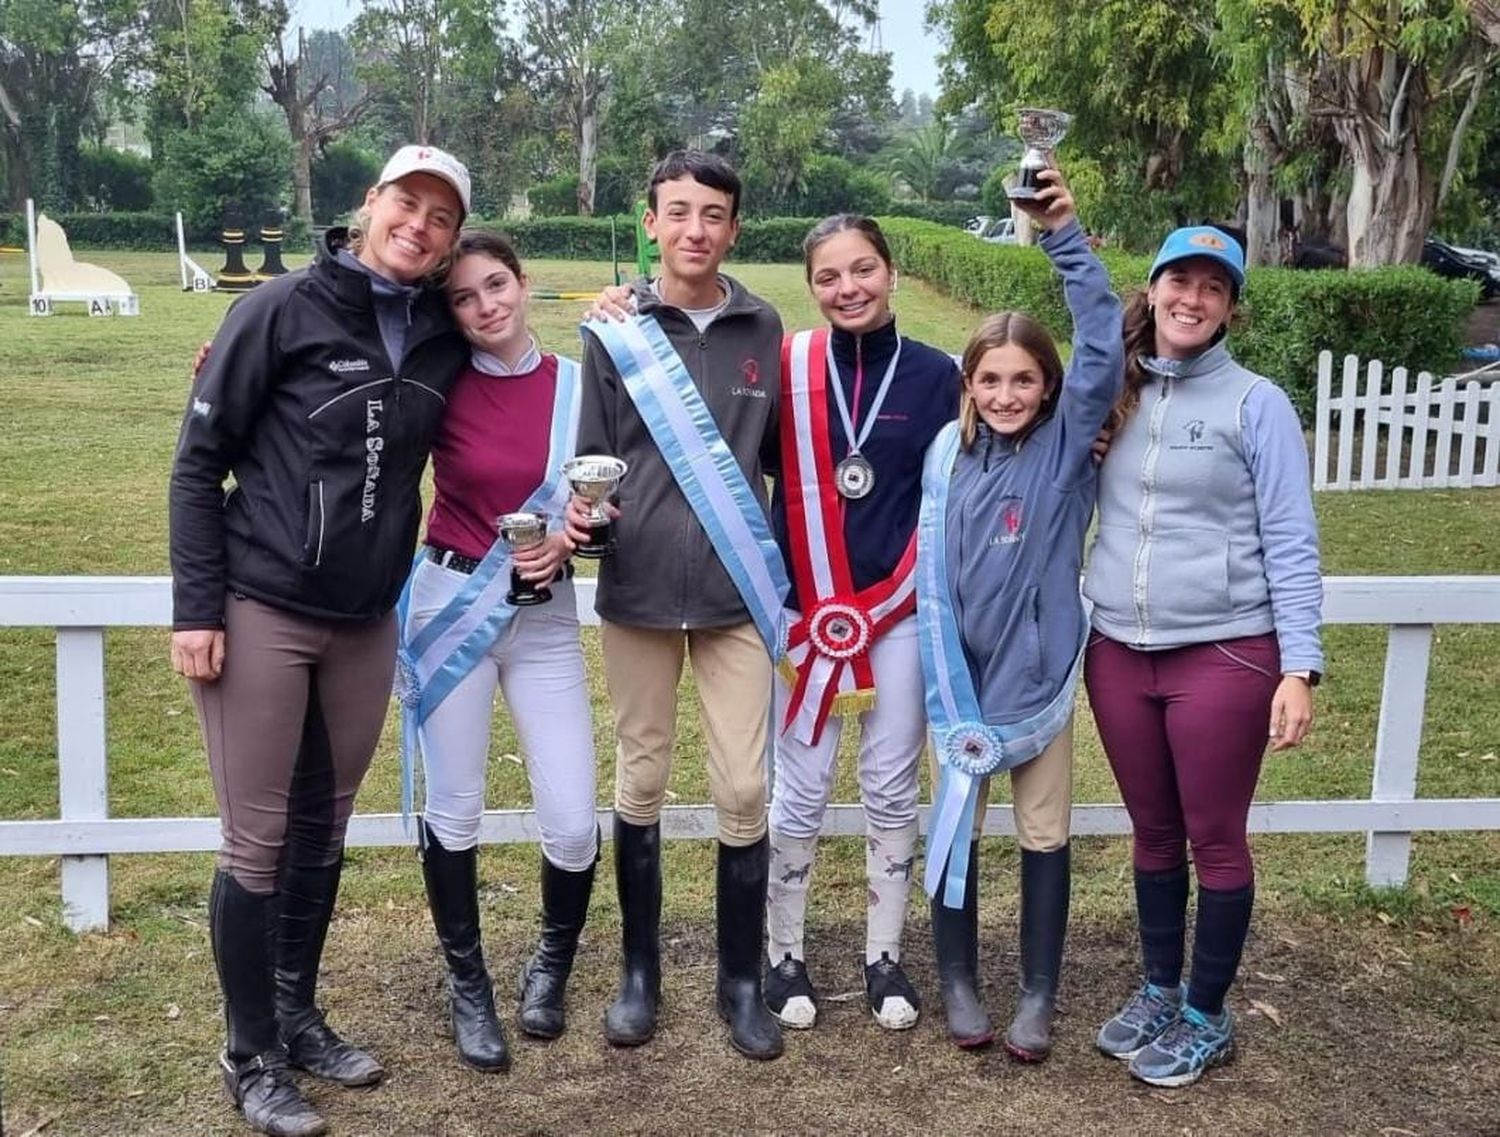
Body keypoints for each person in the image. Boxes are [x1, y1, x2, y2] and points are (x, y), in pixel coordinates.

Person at [169, 145, 472, 1137]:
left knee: (325, 826)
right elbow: (197, 463)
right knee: (257, 838)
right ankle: (248, 1053)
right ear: (369, 205)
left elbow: (514, 355)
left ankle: (297, 1016)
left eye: (441, 218)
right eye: (406, 203)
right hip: (263, 606)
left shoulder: (438, 330)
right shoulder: (279, 309)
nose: (419, 225)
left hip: (366, 620)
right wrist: (197, 610)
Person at [1084, 226, 1322, 1087]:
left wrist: (1300, 664)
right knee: (1151, 833)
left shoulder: (1256, 403)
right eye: (1179, 280)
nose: (1192, 299)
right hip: (1117, 650)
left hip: (1225, 653)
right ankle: (1157, 984)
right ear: (1152, 289)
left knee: (1214, 837)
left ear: (1230, 307)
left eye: (1213, 288)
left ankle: (1205, 1011)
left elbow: (1292, 538)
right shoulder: (1115, 391)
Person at [570, 150, 789, 1061]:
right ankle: (639, 974)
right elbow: (592, 454)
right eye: (678, 212)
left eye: (714, 214)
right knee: (643, 777)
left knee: (743, 785)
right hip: (642, 590)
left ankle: (742, 982)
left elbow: (785, 460)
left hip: (738, 596)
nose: (696, 229)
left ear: (735, 228)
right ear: (650, 220)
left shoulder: (763, 326)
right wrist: (589, 514)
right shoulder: (614, 329)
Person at [916, 170, 1123, 1061]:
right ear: (969, 381)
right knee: (955, 823)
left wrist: (1066, 238)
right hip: (957, 680)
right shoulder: (945, 460)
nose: (1007, 394)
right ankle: (958, 980)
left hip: (1037, 684)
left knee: (1045, 834)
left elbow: (1106, 349)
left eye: (1024, 379)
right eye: (991, 378)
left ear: (1049, 387)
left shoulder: (1066, 452)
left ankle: (1038, 993)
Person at [398, 230, 596, 1074]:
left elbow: (604, 494)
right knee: (457, 806)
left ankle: (550, 962)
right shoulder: (437, 384)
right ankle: (468, 981)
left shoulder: (581, 389)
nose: (487, 308)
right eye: (467, 299)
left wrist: (577, 534)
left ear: (523, 282)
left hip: (545, 620)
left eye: (497, 287)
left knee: (576, 816)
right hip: (453, 606)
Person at [762, 216, 959, 1033]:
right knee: (798, 789)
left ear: (891, 271)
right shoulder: (789, 367)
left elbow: (952, 490)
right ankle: (782, 954)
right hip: (808, 622)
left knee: (889, 785)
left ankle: (884, 954)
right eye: (830, 277)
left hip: (898, 613)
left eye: (863, 270)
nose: (848, 289)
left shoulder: (938, 375)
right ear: (811, 287)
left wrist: (889, 599)